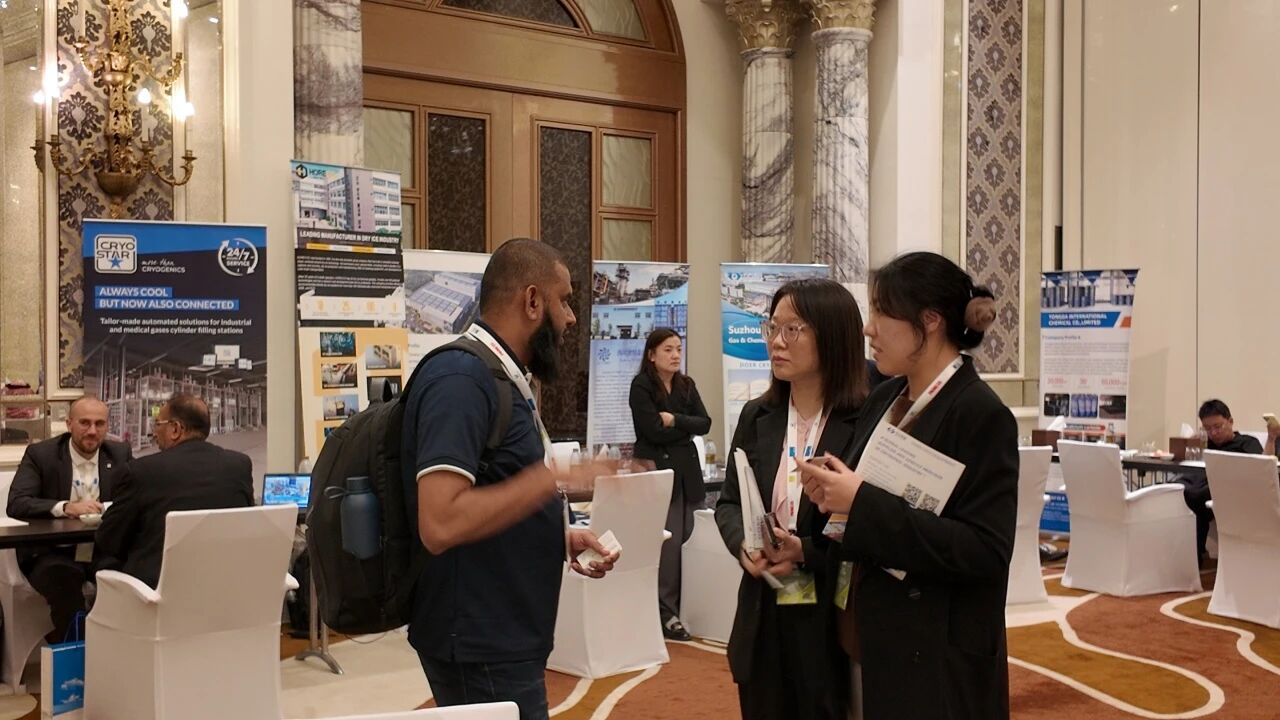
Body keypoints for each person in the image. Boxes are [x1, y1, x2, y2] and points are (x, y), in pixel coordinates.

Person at [403, 238, 619, 720]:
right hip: (480, 641)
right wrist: (553, 479)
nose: (571, 318)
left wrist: (558, 535)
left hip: (502, 635)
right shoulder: (461, 379)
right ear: (532, 301)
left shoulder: (497, 377)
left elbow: (491, 491)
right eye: (564, 301)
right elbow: (440, 522)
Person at [799, 251, 1018, 720]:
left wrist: (860, 501)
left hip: (933, 653)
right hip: (865, 631)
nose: (868, 329)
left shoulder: (980, 414)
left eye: (882, 313)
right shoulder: (885, 396)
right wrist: (833, 498)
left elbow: (985, 551)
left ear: (930, 321)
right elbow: (866, 505)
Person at [714, 278, 867, 720]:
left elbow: (869, 522)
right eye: (772, 327)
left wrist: (806, 551)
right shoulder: (757, 415)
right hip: (765, 605)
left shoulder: (864, 420)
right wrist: (745, 546)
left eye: (793, 329)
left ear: (832, 336)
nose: (776, 342)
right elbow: (728, 503)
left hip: (829, 608)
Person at [93, 394, 254, 589]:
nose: (154, 432)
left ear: (176, 429)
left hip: (155, 593)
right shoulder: (239, 465)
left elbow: (109, 539)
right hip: (223, 586)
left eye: (158, 424)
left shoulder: (142, 471)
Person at [7, 396, 131, 641]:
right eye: (85, 423)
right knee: (65, 586)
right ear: (69, 423)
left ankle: (115, 651)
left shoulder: (119, 454)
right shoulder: (42, 454)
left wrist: (108, 508)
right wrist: (65, 507)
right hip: (52, 552)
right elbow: (17, 503)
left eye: (99, 424)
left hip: (101, 550)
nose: (92, 431)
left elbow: (135, 498)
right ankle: (75, 656)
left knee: (128, 578)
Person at [629, 327, 712, 641]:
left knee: (692, 541)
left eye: (679, 348)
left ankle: (688, 607)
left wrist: (674, 420)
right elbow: (651, 430)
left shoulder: (686, 385)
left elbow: (705, 423)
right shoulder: (641, 385)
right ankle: (666, 613)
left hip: (687, 473)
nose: (676, 355)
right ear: (652, 355)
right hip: (658, 471)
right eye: (668, 349)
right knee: (668, 546)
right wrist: (684, 429)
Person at [1178, 399, 1268, 563]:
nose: (1213, 433)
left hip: (1231, 490)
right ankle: (1190, 557)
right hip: (1202, 483)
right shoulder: (1206, 444)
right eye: (1207, 428)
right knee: (1176, 489)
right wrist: (1193, 442)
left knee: (1194, 496)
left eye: (1217, 427)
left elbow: (1261, 467)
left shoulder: (1247, 443)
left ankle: (1193, 558)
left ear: (1230, 422)